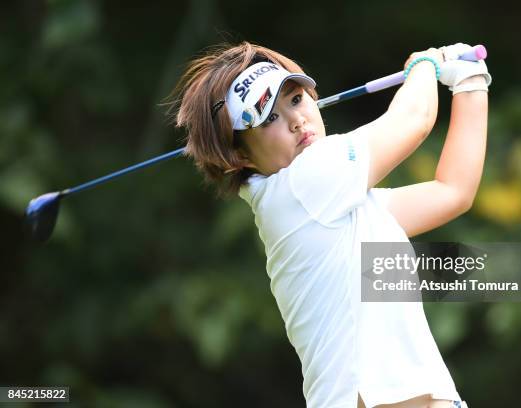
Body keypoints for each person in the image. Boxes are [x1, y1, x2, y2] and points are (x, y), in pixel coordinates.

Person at [171, 41, 490, 408]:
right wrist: (425, 64)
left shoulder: (332, 205)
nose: (296, 120)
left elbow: (452, 192)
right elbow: (414, 119)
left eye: (295, 99)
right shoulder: (302, 185)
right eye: (269, 118)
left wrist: (470, 84)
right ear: (241, 155)